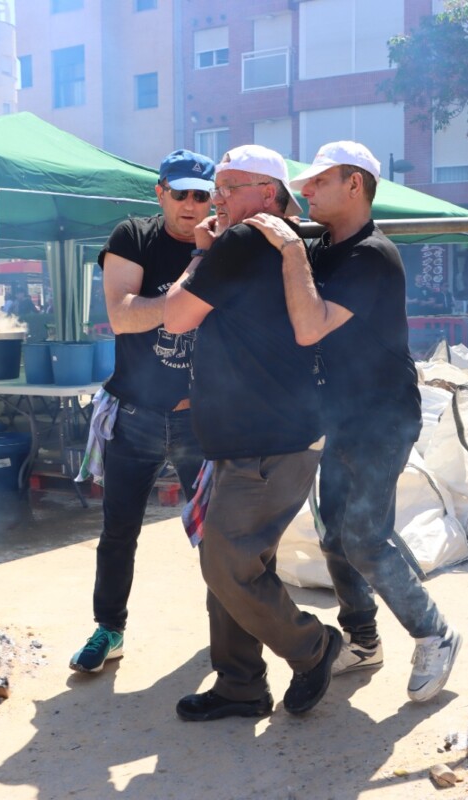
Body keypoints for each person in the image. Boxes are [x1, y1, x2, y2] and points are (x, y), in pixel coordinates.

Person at [246, 140, 461, 703]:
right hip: (340, 416)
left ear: (355, 185)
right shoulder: (328, 249)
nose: (305, 190)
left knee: (365, 539)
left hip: (381, 418)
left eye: (318, 181)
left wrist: (293, 249)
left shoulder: (371, 255)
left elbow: (311, 325)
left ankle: (435, 632)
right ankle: (362, 639)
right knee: (335, 535)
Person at [163, 144, 340, 720]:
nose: (214, 200)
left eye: (227, 187)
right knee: (238, 566)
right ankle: (239, 682)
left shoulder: (245, 240)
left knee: (226, 565)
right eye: (214, 188)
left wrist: (198, 257)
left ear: (267, 192)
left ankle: (312, 647)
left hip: (263, 442)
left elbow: (176, 316)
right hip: (265, 437)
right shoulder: (271, 244)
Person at [68, 149, 212, 674]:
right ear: (161, 192)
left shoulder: (226, 242)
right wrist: (195, 271)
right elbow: (123, 319)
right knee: (118, 531)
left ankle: (228, 630)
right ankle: (109, 629)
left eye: (202, 194)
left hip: (204, 417)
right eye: (181, 193)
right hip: (137, 414)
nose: (192, 205)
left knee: (216, 535)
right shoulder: (134, 236)